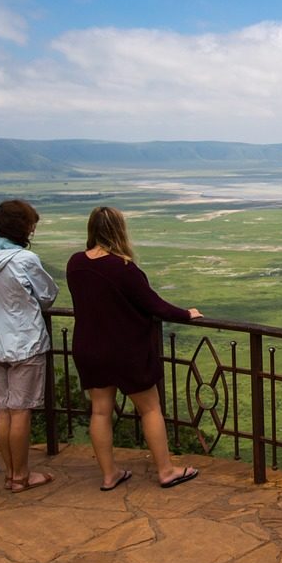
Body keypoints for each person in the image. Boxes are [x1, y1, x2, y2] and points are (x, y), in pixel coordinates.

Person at [66, 206, 202, 491]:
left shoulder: (75, 263)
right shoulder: (124, 268)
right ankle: (165, 470)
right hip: (125, 350)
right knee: (150, 409)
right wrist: (186, 314)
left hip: (89, 348)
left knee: (101, 412)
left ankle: (109, 475)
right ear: (119, 230)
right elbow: (153, 305)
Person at [0, 199, 59, 493]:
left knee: (3, 409)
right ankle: (21, 476)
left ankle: (10, 473)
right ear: (24, 228)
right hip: (24, 342)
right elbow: (47, 295)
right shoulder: (24, 261)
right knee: (20, 411)